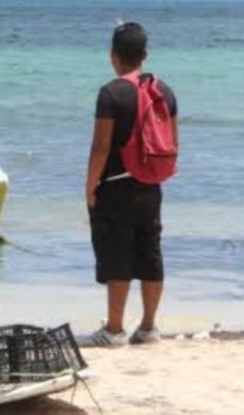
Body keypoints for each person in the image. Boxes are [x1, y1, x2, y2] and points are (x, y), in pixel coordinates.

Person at [85, 22, 178, 347]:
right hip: (152, 184)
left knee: (118, 254)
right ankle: (149, 328)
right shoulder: (163, 90)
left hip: (116, 185)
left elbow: (101, 146)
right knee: (150, 251)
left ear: (113, 55)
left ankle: (114, 330)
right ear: (145, 54)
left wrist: (90, 185)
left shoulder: (111, 93)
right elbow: (173, 141)